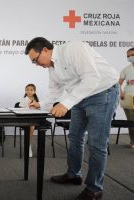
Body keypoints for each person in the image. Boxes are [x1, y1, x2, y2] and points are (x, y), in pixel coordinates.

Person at [25, 37, 119, 200]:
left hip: (103, 93)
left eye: (36, 60)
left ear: (45, 50)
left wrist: (66, 104)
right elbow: (55, 92)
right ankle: (74, 174)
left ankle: (94, 189)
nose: (36, 64)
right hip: (80, 97)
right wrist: (41, 105)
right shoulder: (52, 68)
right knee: (75, 137)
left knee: (97, 143)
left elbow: (92, 78)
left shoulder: (74, 49)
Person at [119, 47, 134, 149]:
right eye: (128, 56)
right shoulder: (126, 69)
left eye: (132, 55)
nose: (130, 57)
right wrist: (121, 93)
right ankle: (132, 141)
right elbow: (118, 83)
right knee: (130, 121)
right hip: (127, 98)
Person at [18, 83, 39, 157]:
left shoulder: (36, 101)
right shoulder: (23, 100)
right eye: (27, 90)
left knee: (39, 124)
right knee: (32, 126)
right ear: (25, 91)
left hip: (35, 118)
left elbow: (39, 110)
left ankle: (38, 146)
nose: (29, 91)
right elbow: (21, 111)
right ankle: (29, 145)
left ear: (34, 91)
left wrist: (36, 106)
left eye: (31, 90)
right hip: (26, 118)